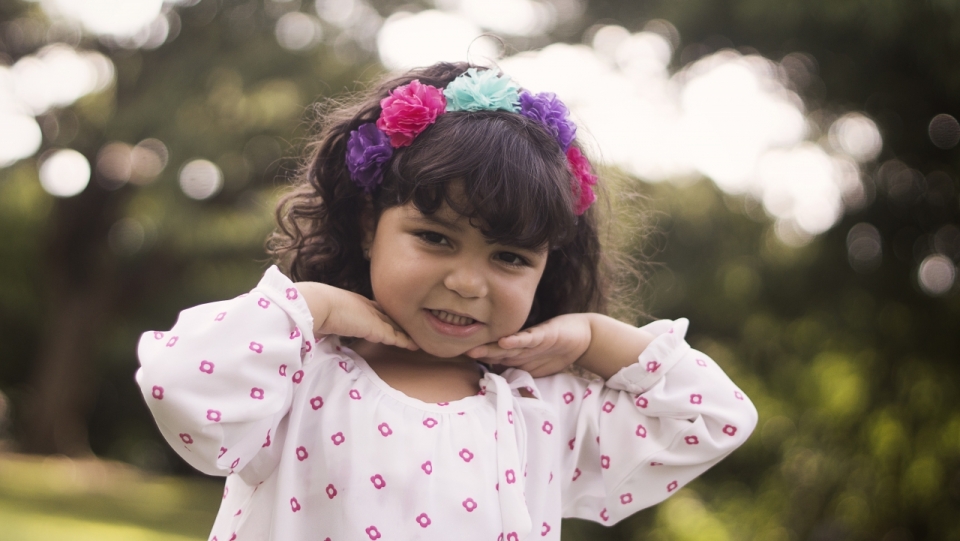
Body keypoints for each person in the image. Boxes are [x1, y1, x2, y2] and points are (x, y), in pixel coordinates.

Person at [137, 62, 757, 541]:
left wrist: (596, 336)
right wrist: (315, 308)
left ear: (548, 268)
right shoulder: (296, 374)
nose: (467, 282)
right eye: (435, 238)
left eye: (511, 257)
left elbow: (714, 418)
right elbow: (177, 380)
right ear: (366, 225)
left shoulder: (541, 406)